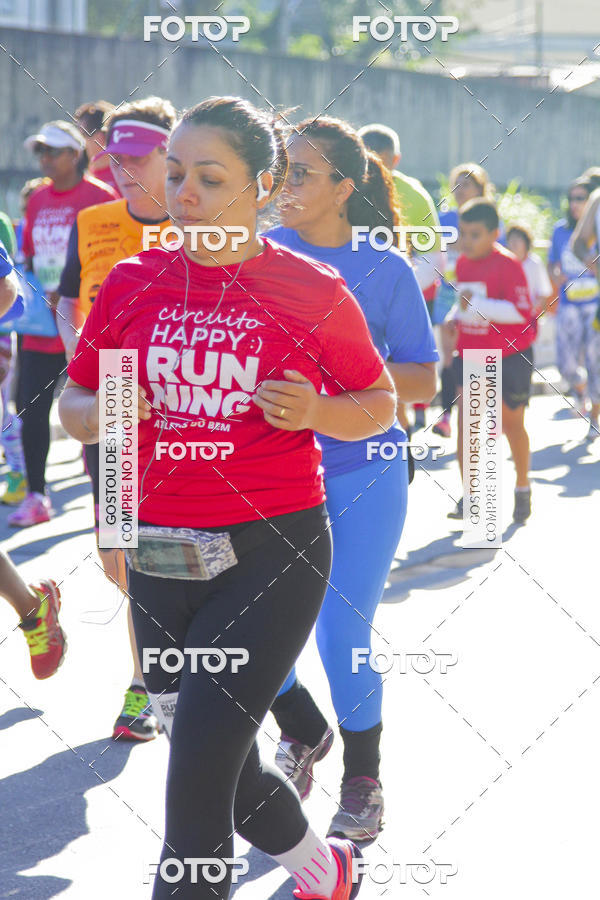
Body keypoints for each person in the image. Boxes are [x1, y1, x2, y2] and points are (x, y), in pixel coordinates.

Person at [59, 95, 397, 900]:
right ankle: (328, 872)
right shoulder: (134, 281)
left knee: (194, 790)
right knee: (222, 763)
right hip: (157, 555)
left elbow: (378, 401)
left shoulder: (308, 289)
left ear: (263, 184)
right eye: (175, 175)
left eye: (209, 178)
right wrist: (104, 412)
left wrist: (317, 412)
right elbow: (74, 405)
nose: (184, 194)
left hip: (270, 555)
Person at [265, 116, 437, 842]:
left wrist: (328, 395)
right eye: (280, 170)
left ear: (344, 187)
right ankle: (304, 728)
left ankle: (363, 780)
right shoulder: (257, 253)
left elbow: (424, 376)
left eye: (302, 173)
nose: (285, 185)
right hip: (267, 472)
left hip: (364, 468)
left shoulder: (386, 266)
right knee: (246, 630)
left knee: (342, 630)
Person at [57, 96, 176, 741]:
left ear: (169, 156)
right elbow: (68, 298)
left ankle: (148, 683)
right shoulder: (94, 219)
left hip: (188, 409)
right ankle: (160, 670)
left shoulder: (200, 225)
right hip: (116, 403)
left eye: (137, 158)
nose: (123, 169)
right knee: (117, 553)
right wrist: (80, 359)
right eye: (116, 158)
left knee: (168, 549)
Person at [8, 121, 117, 528]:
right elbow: (31, 257)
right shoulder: (36, 199)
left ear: (75, 154)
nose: (45, 160)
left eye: (53, 151)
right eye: (41, 153)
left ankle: (108, 509)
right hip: (40, 323)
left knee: (105, 412)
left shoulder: (101, 198)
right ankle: (37, 495)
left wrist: (71, 294)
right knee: (29, 408)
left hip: (90, 323)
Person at [447, 198, 536, 524]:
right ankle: (470, 497)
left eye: (475, 234)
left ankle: (523, 487)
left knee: (512, 424)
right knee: (466, 428)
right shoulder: (463, 264)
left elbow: (520, 314)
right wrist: (453, 315)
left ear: (494, 234)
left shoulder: (510, 265)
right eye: (463, 233)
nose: (467, 241)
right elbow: (466, 304)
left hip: (510, 355)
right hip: (472, 354)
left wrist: (478, 304)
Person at [0, 238, 65, 678]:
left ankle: (144, 683)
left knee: (117, 546)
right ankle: (31, 604)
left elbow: (7, 290)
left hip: (113, 378)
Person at [357, 123, 442, 431]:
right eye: (368, 162)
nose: (374, 171)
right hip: (354, 299)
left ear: (396, 161)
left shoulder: (415, 196)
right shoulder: (341, 187)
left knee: (392, 380)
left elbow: (432, 259)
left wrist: (394, 288)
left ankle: (400, 437)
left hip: (404, 299)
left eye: (381, 163)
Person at [435, 163, 497, 438]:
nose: (460, 190)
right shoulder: (443, 217)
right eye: (456, 184)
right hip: (449, 291)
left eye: (467, 184)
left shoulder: (492, 219)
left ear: (480, 188)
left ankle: (476, 412)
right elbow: (435, 248)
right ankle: (447, 416)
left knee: (475, 355)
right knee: (449, 354)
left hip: (480, 292)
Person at [551, 178, 600, 440]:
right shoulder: (561, 230)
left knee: (596, 362)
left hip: (595, 304)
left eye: (581, 198)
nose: (576, 203)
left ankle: (594, 417)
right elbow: (573, 247)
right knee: (567, 364)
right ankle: (581, 390)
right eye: (573, 198)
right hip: (571, 304)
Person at [506, 224, 554, 315]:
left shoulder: (535, 263)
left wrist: (532, 311)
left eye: (518, 238)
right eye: (511, 239)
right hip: (508, 316)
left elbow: (543, 293)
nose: (514, 242)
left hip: (529, 315)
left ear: (526, 242)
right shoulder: (504, 263)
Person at [74, 100, 120, 194]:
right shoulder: (76, 179)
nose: (79, 141)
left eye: (84, 134)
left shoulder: (126, 177)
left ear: (103, 135)